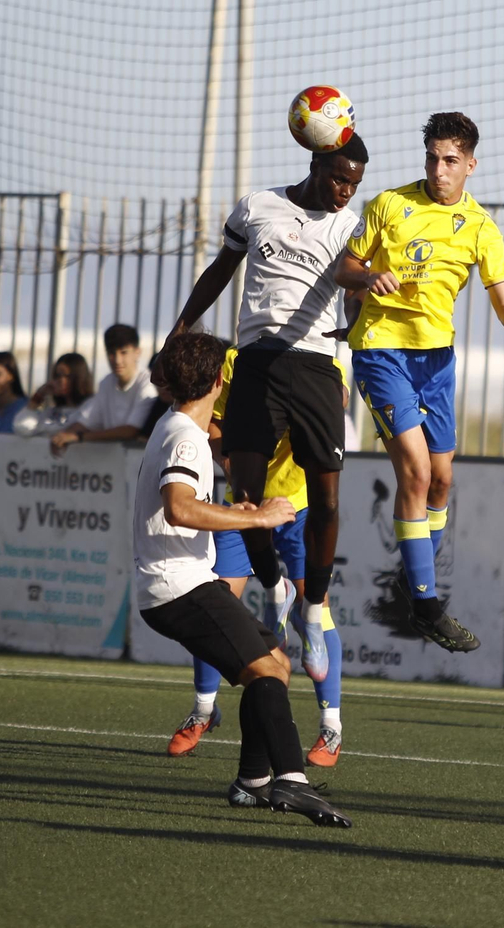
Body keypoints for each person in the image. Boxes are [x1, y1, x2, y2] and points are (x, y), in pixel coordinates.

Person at [334, 112, 504, 651]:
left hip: (436, 361)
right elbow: (345, 268)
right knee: (412, 471)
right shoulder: (388, 204)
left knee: (440, 480)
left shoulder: (481, 227)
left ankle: (416, 579)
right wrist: (366, 277)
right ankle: (428, 604)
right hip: (381, 349)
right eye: (432, 158)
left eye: (450, 160)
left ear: (470, 165)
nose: (438, 169)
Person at [133, 331, 350, 827]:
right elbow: (180, 507)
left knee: (275, 660)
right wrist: (258, 518)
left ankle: (252, 780)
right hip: (177, 589)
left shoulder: (177, 425)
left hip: (181, 583)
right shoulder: (186, 435)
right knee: (269, 671)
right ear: (219, 379)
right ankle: (290, 782)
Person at [170, 132, 368, 675]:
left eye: (354, 183)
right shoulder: (258, 207)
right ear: (315, 161)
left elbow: (352, 290)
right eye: (337, 178)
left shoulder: (352, 228)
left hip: (316, 366)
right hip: (256, 362)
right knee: (247, 503)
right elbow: (219, 270)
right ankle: (273, 587)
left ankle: (312, 608)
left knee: (326, 499)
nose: (345, 191)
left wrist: (363, 306)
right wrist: (182, 327)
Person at [50, 324, 158, 455]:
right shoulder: (106, 383)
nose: (117, 360)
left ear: (137, 352)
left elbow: (130, 431)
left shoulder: (148, 384)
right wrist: (63, 437)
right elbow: (87, 421)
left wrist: (79, 437)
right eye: (112, 353)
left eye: (123, 352)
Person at [13, 352, 93, 436]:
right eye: (58, 376)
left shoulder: (90, 406)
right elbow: (21, 428)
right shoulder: (52, 412)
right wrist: (38, 396)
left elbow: (66, 429)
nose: (61, 381)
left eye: (68, 376)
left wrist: (42, 428)